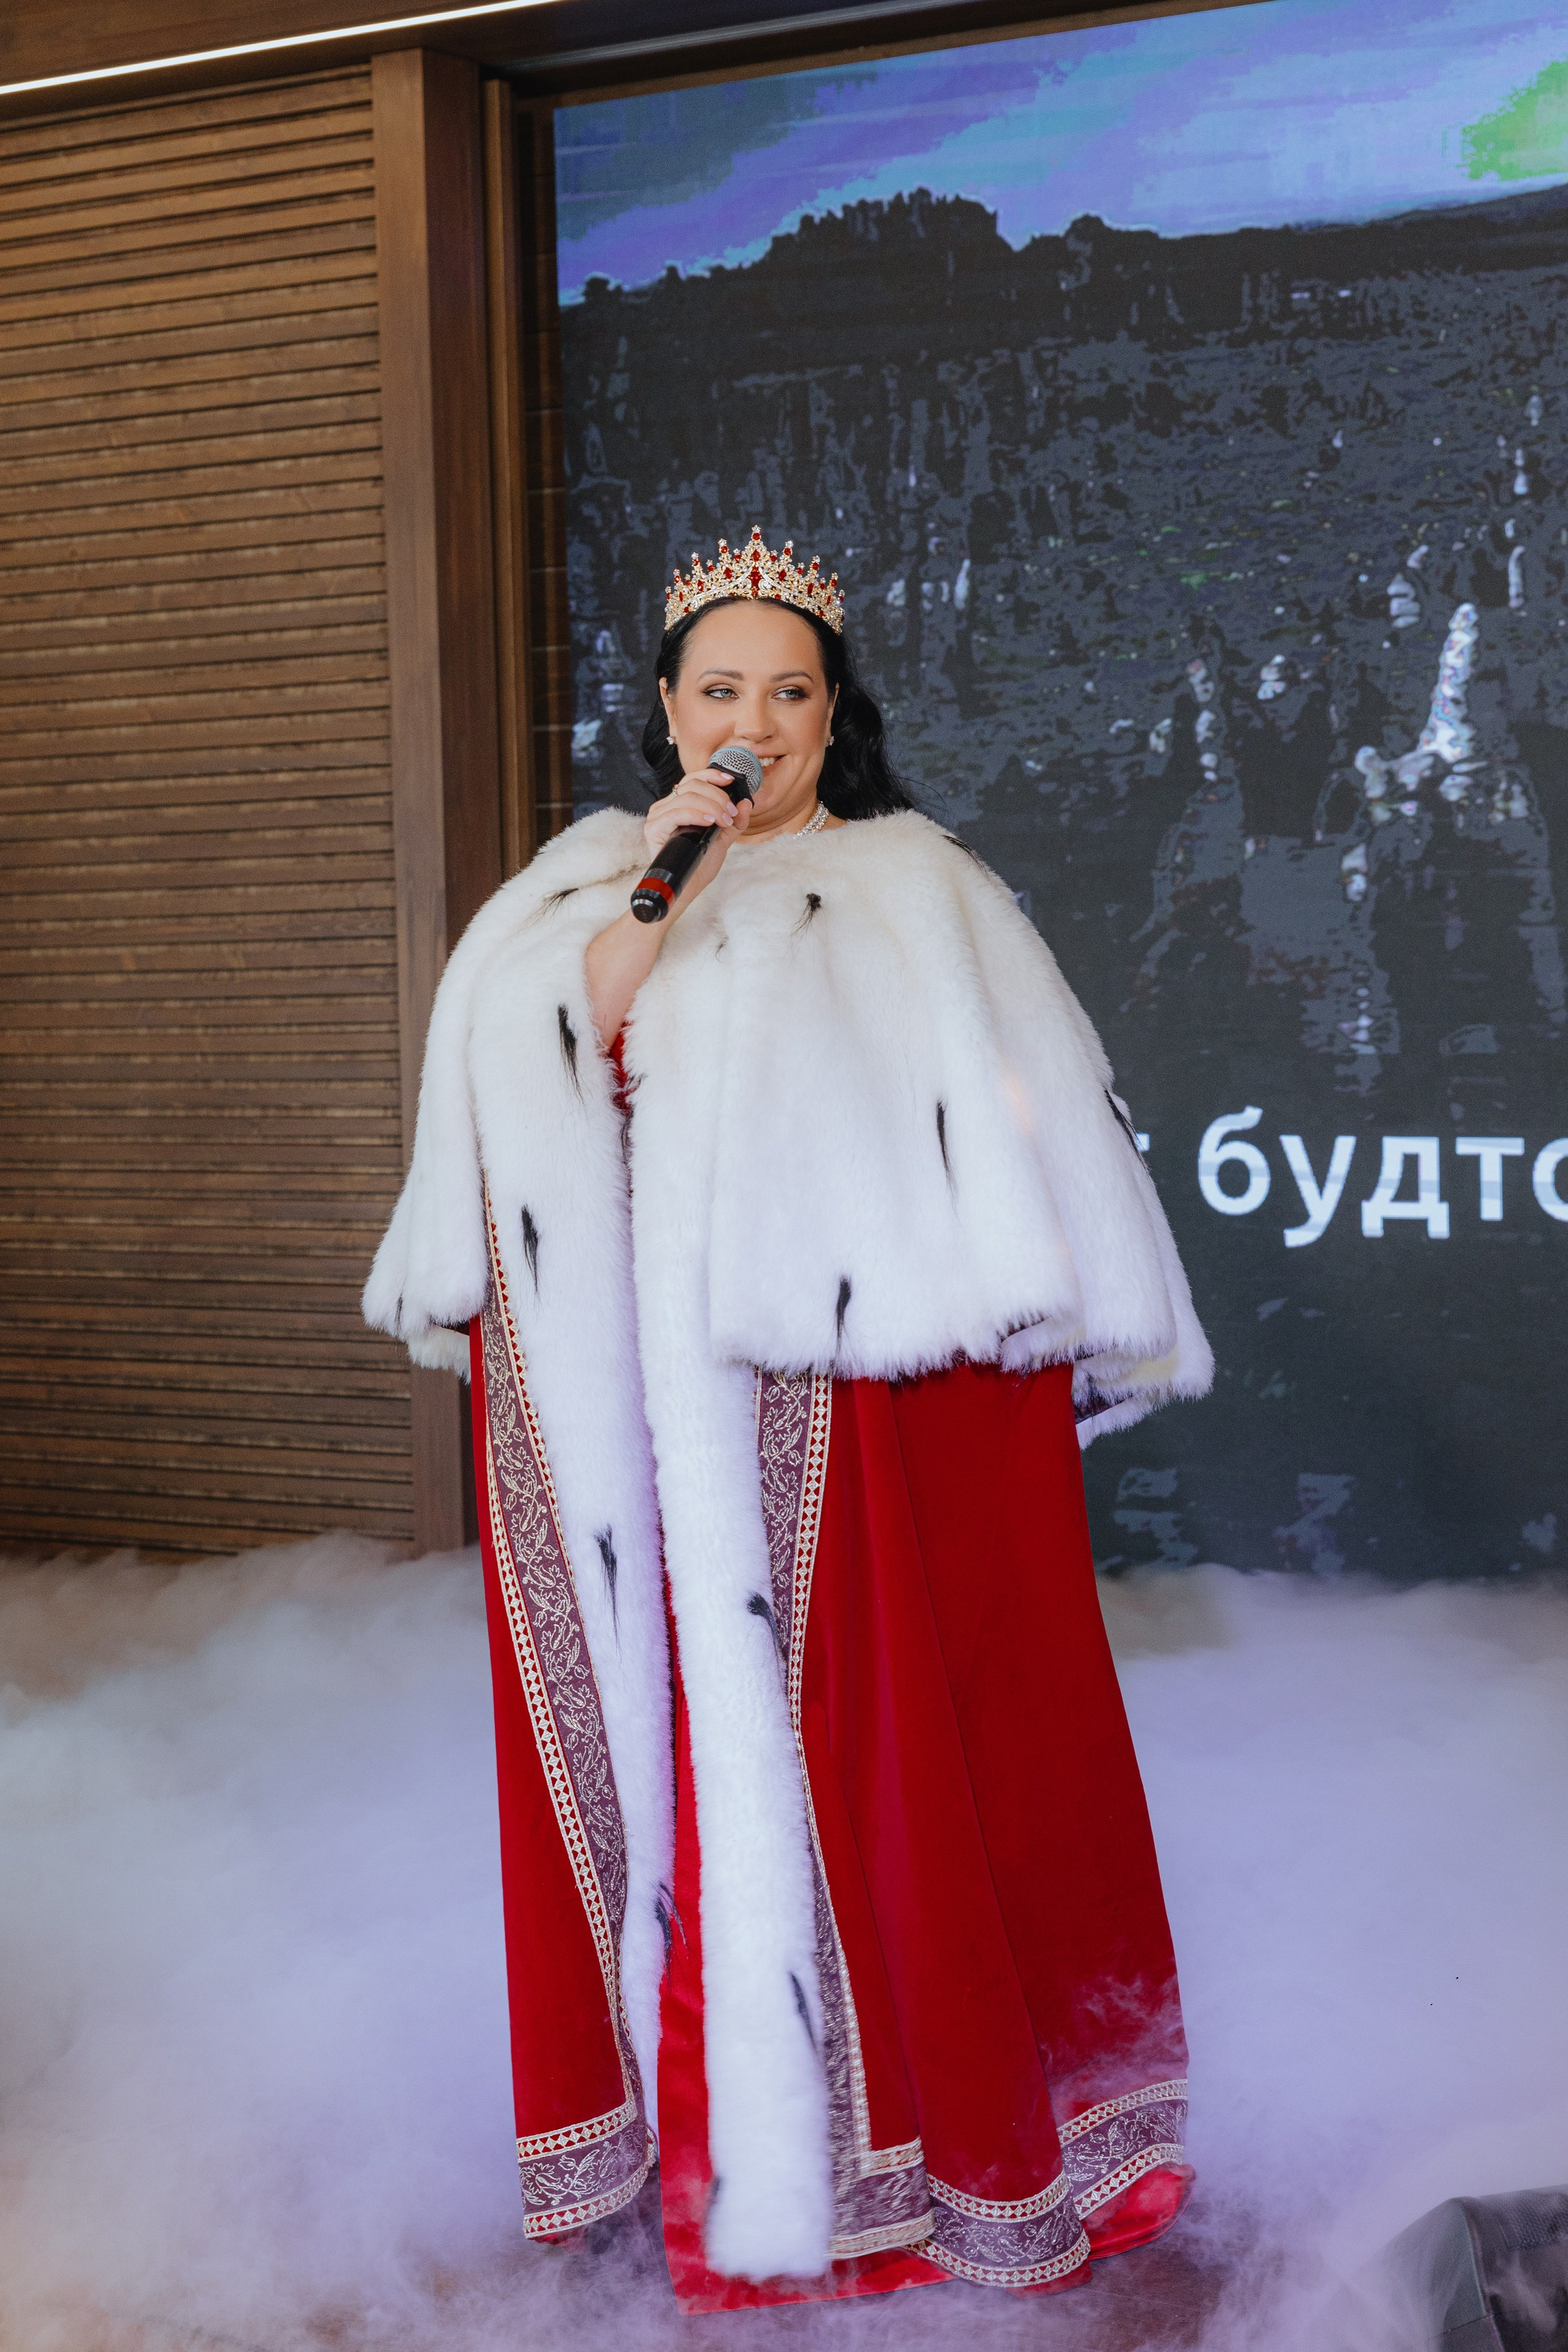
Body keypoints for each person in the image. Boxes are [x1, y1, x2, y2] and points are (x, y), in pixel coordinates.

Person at [364, 529, 1212, 2314]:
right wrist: (668, 884)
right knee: (678, 1779)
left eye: (793, 691)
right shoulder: (588, 888)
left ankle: (908, 2159)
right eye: (724, 689)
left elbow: (1021, 1152)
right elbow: (541, 1068)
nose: (759, 720)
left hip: (864, 1434)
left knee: (887, 1781)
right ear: (670, 706)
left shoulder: (918, 890)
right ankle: (704, 2141)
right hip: (646, 1441)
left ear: (839, 709)